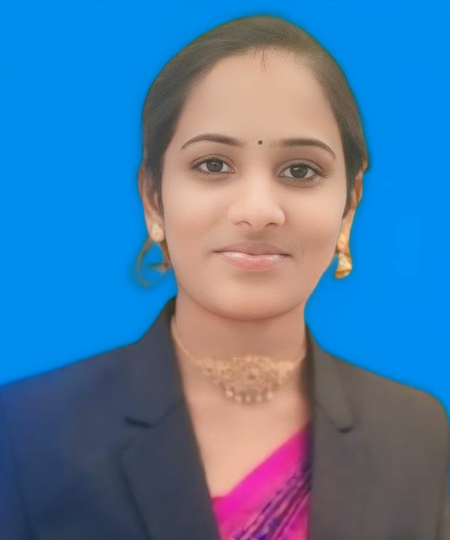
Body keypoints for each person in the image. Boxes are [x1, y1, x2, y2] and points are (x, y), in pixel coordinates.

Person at [0, 14, 449, 540]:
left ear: (349, 205)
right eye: (213, 165)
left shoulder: (415, 434)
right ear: (154, 199)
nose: (257, 212)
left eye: (300, 170)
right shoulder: (29, 432)